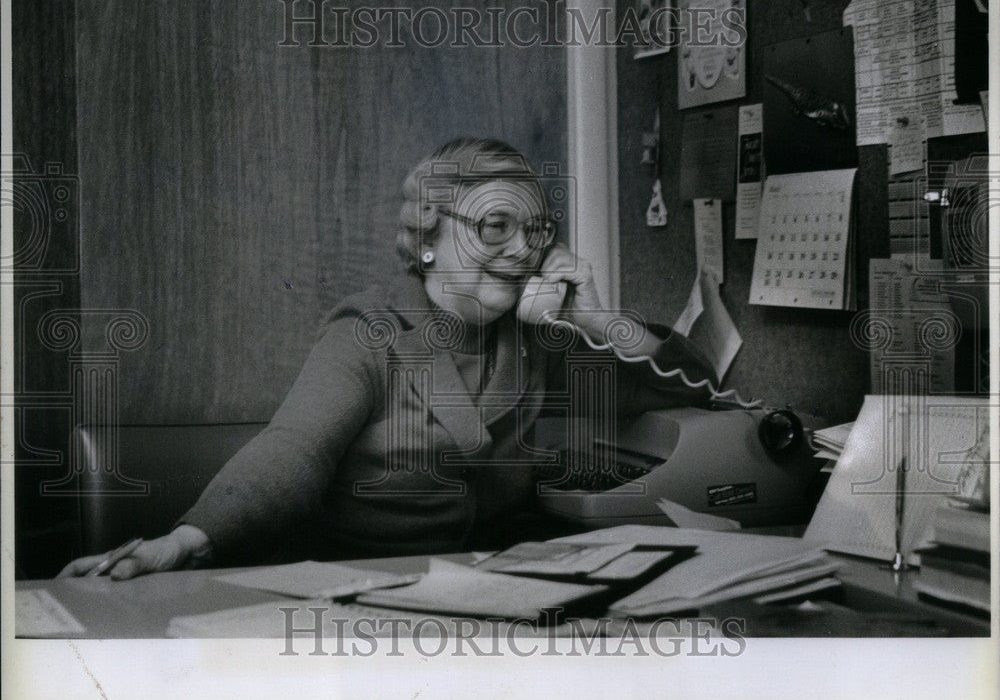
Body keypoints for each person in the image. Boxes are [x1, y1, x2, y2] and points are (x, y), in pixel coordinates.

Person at [58, 137, 717, 579]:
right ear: (428, 239)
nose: (522, 249)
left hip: (498, 598)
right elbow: (294, 448)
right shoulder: (367, 330)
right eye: (495, 226)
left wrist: (599, 320)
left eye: (535, 230)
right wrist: (185, 541)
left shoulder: (540, 341)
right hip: (356, 600)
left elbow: (695, 385)